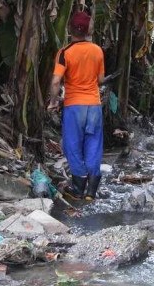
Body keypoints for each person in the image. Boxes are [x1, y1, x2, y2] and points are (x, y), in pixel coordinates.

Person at [47, 11, 105, 200]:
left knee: (73, 145)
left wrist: (54, 101)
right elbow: (101, 79)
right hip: (94, 106)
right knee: (93, 144)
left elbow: (56, 81)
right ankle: (91, 191)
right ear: (88, 30)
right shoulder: (97, 50)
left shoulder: (65, 52)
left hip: (74, 106)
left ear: (70, 29)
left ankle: (78, 189)